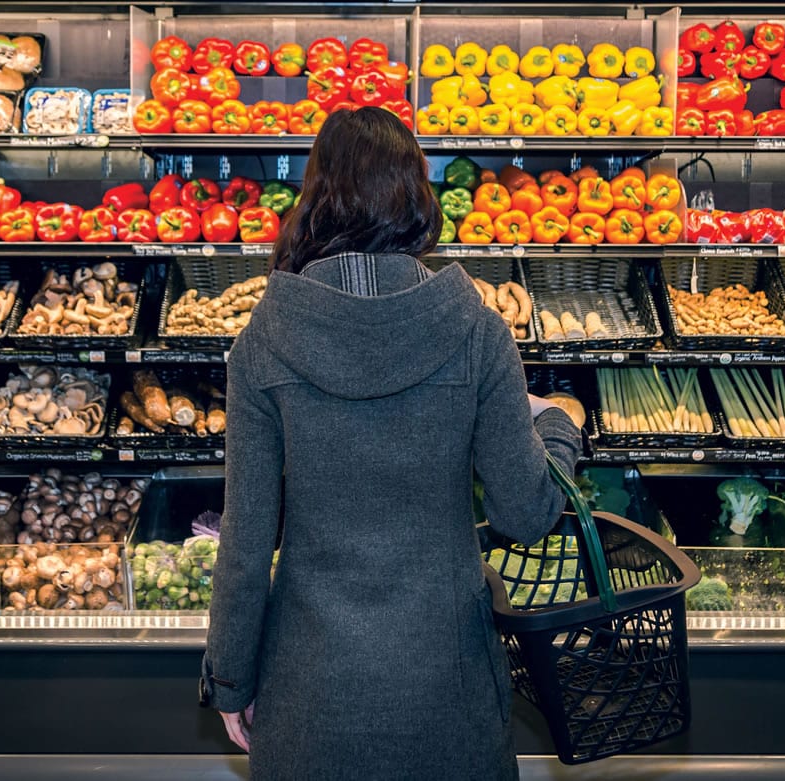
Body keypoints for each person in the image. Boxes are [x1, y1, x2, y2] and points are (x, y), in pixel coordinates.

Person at [200, 106, 582, 780]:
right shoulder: (478, 331)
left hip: (310, 697)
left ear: (315, 197)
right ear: (416, 196)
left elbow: (246, 539)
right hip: (448, 695)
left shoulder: (261, 340)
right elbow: (527, 512)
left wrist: (230, 680)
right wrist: (556, 426)